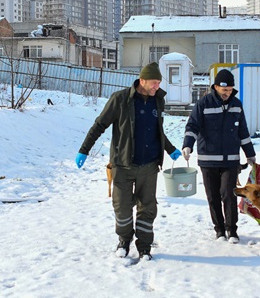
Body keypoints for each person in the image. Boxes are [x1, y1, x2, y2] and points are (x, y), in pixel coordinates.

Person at [76, 63, 182, 260]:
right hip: (123, 164)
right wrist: (84, 150)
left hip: (149, 166)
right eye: (153, 82)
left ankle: (144, 246)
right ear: (142, 80)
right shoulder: (120, 99)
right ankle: (124, 240)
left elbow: (158, 131)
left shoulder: (157, 101)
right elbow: (100, 125)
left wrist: (170, 149)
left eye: (159, 83)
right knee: (122, 206)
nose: (156, 86)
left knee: (148, 207)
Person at [181, 68, 256, 244]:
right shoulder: (203, 104)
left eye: (230, 90)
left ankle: (232, 230)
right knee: (213, 196)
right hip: (208, 159)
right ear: (215, 87)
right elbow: (192, 126)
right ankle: (219, 230)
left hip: (231, 160)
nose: (227, 93)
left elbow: (243, 131)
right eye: (224, 90)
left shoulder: (237, 104)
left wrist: (250, 154)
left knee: (229, 194)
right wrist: (187, 146)